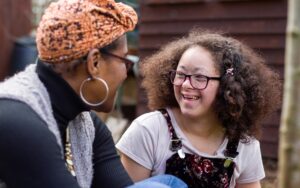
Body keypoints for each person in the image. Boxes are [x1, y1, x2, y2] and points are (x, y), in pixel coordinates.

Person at [0, 0, 187, 188]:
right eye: (125, 60)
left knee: (170, 183)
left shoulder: (85, 124)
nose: (126, 73)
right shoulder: (17, 121)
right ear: (94, 63)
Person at [116, 29, 282, 188]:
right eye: (181, 74)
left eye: (199, 77)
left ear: (228, 87)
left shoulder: (244, 144)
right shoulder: (149, 131)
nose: (186, 84)